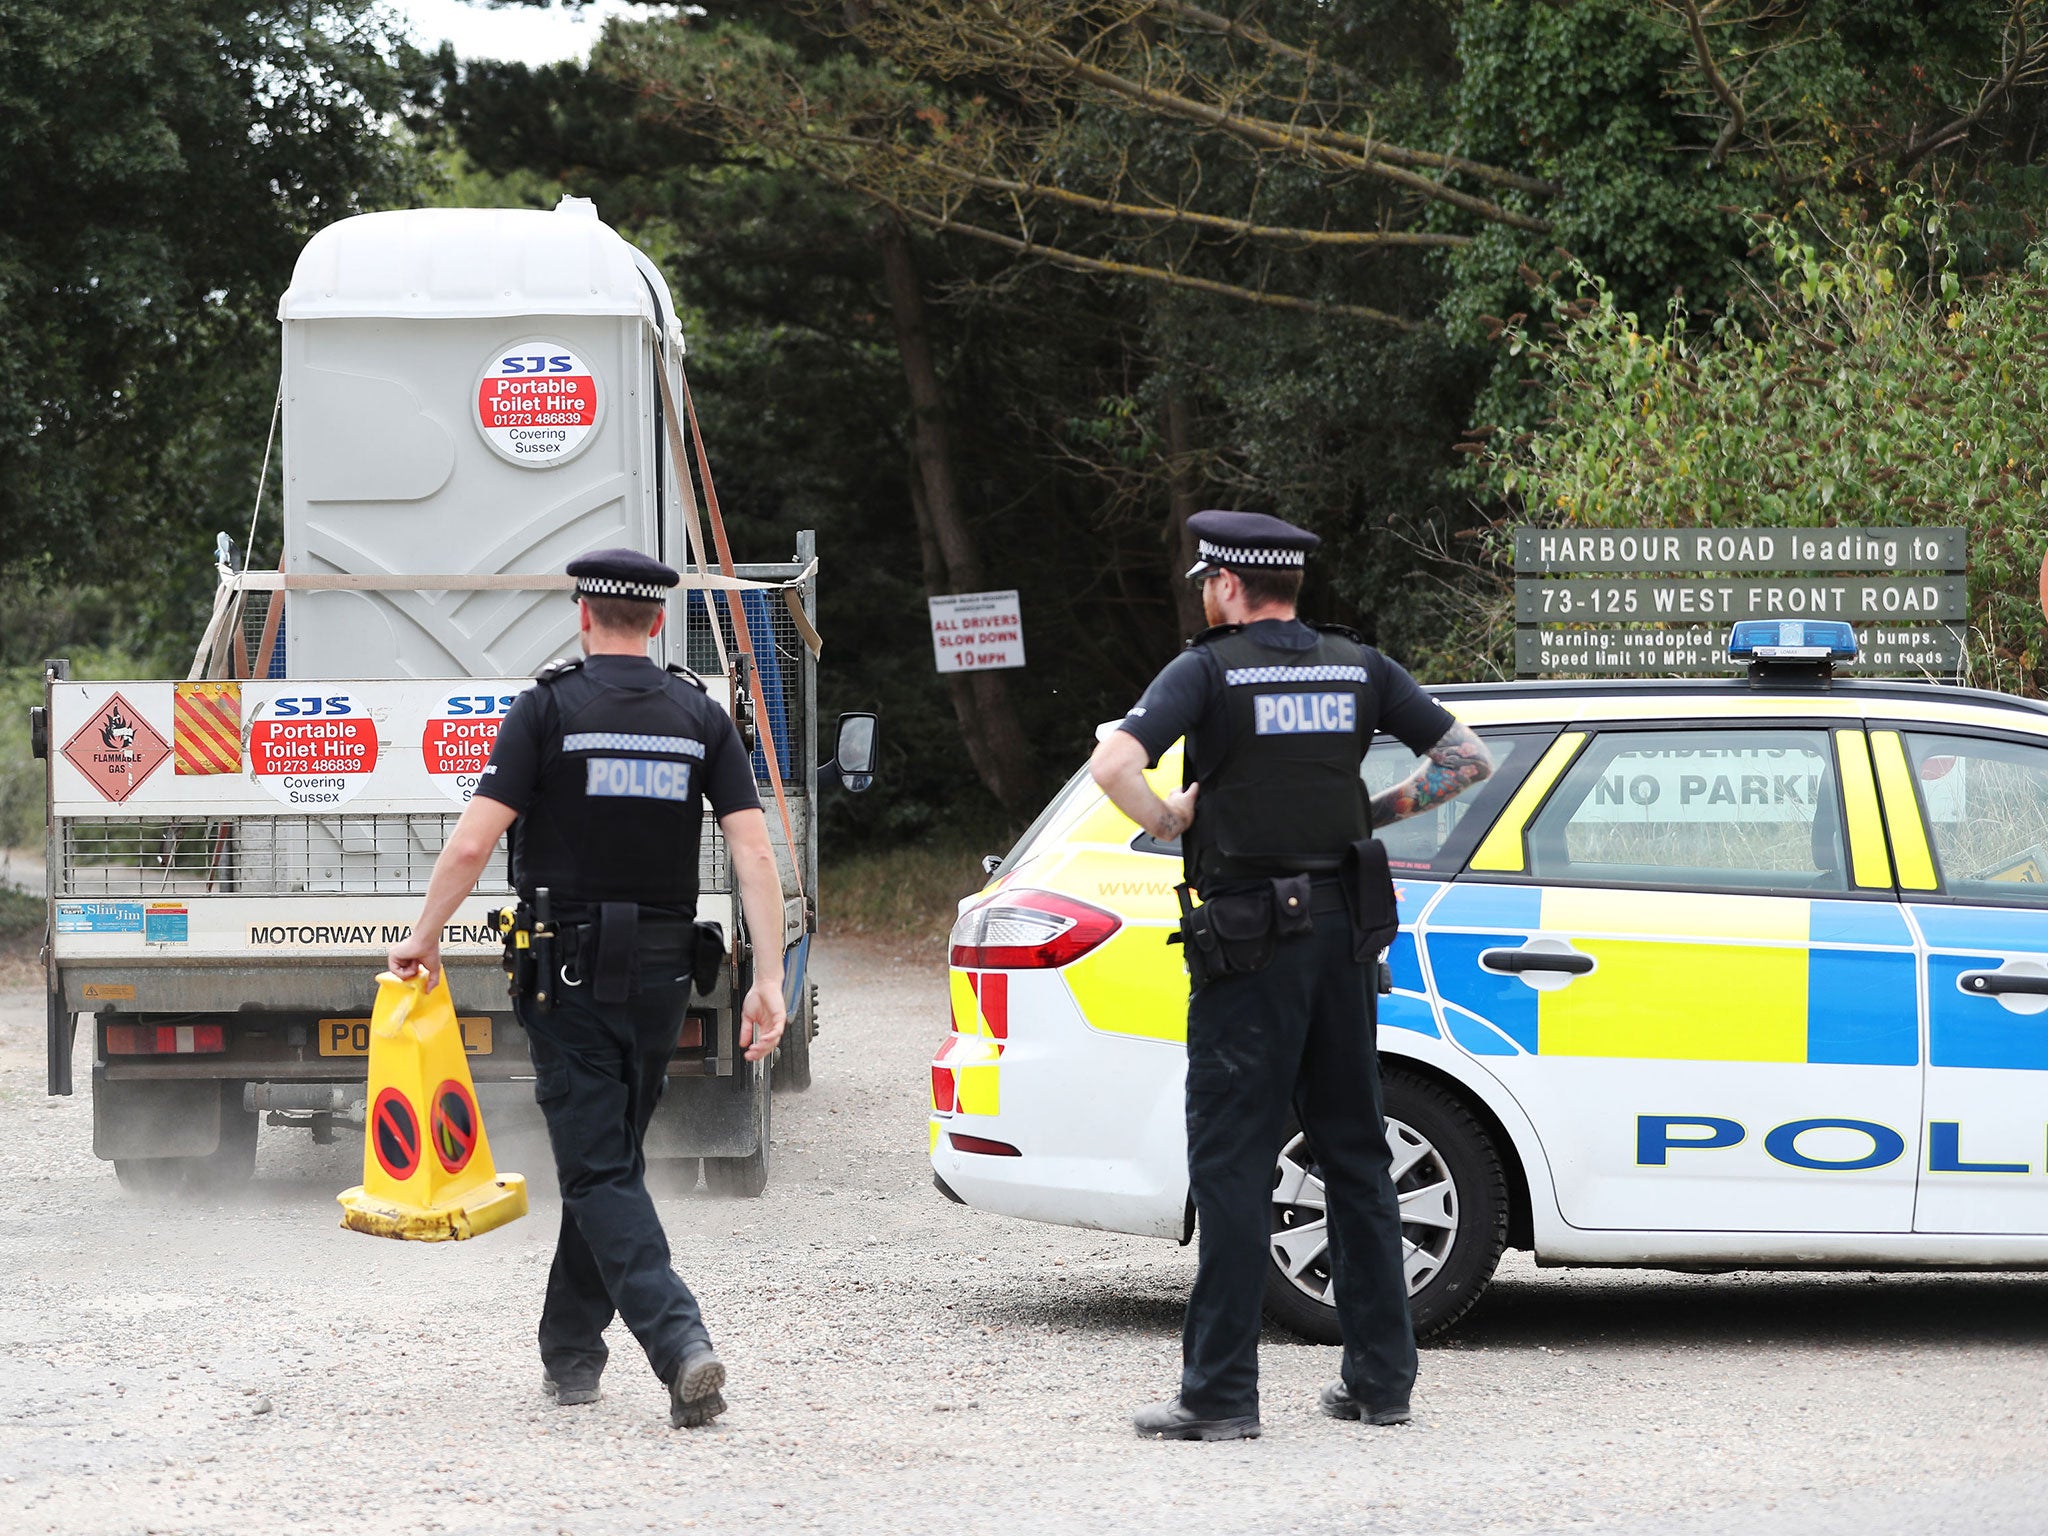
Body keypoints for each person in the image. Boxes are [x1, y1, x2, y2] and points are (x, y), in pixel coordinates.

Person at [1090, 510, 1492, 1441]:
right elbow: (1465, 758)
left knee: (1232, 1163)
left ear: (1229, 586)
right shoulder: (1358, 667)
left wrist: (1165, 820)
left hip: (1247, 948)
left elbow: (1115, 762)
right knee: (1356, 1152)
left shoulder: (1207, 670)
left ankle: (1222, 1394)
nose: (1203, 594)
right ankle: (1381, 1382)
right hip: (1345, 937)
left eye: (1206, 582)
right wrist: (1371, 810)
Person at [386, 547, 787, 1430]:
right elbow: (754, 853)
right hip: (662, 977)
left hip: (565, 975)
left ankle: (681, 1344)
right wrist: (767, 980)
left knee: (600, 1167)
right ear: (653, 623)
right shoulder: (698, 716)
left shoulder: (548, 709)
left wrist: (422, 938)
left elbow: (469, 846)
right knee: (608, 1161)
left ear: (583, 616)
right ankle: (570, 1355)